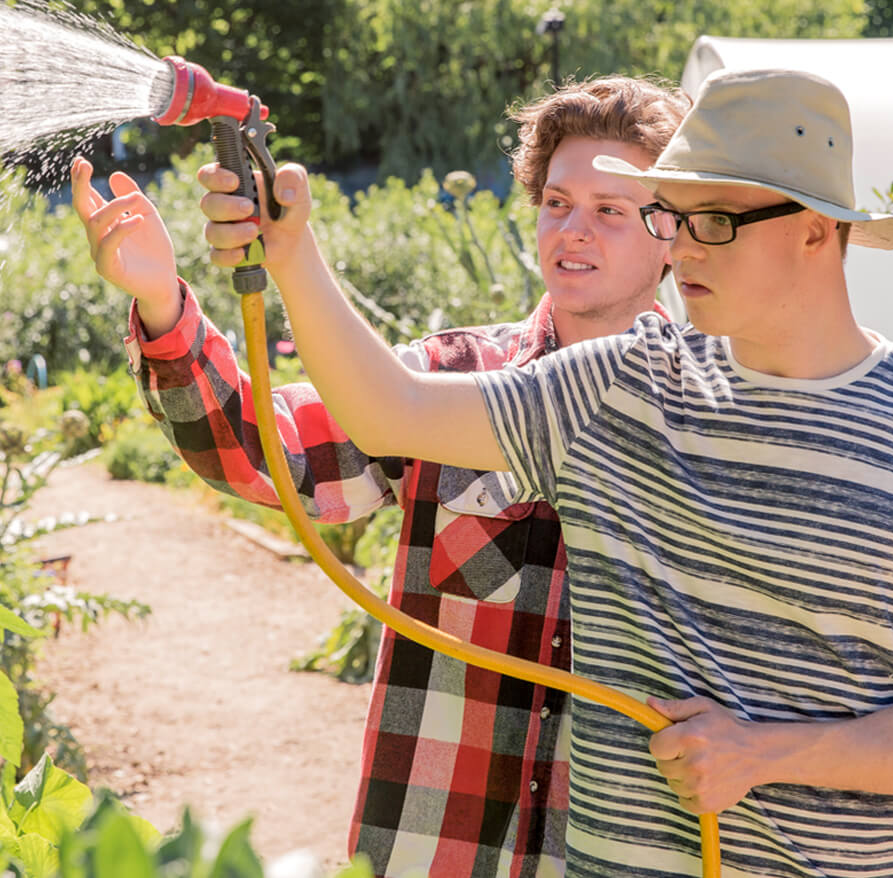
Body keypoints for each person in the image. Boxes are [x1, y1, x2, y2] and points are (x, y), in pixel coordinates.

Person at [187, 67, 893, 877]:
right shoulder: (626, 387)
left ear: (815, 233)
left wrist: (770, 752)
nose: (681, 251)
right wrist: (293, 252)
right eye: (672, 218)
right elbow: (393, 411)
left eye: (712, 221)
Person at [71, 76, 690, 877]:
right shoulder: (446, 385)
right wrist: (161, 300)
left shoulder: (717, 425)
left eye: (611, 210)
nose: (574, 230)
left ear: (675, 231)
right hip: (437, 850)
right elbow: (266, 451)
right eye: (557, 202)